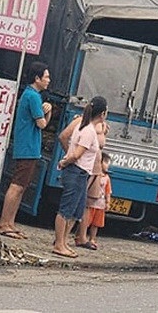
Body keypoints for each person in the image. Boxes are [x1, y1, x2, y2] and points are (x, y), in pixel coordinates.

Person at [0, 61, 52, 240]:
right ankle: (4, 223)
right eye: (46, 77)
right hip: (28, 147)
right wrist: (48, 111)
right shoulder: (34, 97)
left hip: (29, 147)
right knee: (17, 185)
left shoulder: (29, 95)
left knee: (21, 187)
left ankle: (10, 223)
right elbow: (42, 123)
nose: (48, 80)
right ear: (37, 78)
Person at [53, 96, 106, 258]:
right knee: (66, 209)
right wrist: (65, 161)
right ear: (103, 113)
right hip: (76, 171)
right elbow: (77, 154)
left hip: (81, 173)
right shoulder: (89, 130)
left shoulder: (84, 125)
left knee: (76, 209)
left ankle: (63, 242)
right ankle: (58, 244)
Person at [76, 152, 112, 250]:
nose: (107, 164)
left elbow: (108, 191)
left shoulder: (107, 178)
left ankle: (92, 238)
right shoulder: (94, 175)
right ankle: (79, 236)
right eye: (105, 162)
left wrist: (107, 202)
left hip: (100, 205)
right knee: (85, 221)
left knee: (96, 224)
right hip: (91, 202)